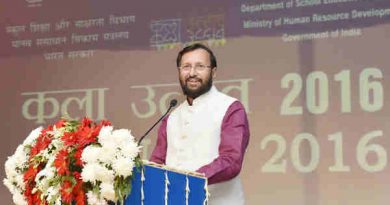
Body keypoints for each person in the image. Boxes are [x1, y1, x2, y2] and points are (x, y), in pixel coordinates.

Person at [150, 43, 250, 205]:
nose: (192, 73)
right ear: (179, 72)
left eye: (200, 66)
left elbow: (231, 161)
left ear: (213, 72)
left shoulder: (230, 108)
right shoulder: (171, 117)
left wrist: (188, 181)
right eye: (186, 67)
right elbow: (156, 164)